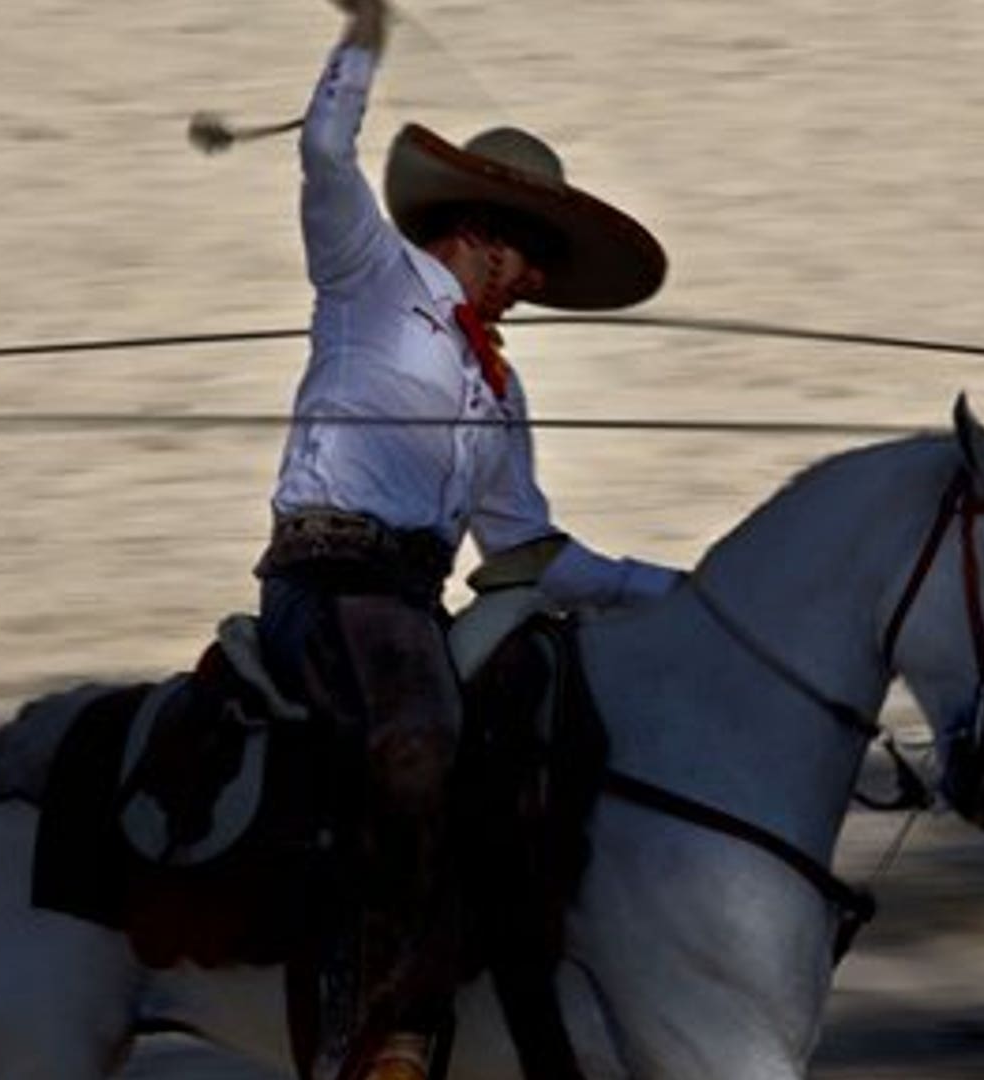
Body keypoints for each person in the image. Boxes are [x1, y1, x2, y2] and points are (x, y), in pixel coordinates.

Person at [250, 1, 680, 1077]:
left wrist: (681, 593)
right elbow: (320, 150)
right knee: (415, 735)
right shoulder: (368, 274)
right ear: (477, 230)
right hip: (326, 577)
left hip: (415, 598)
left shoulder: (501, 389)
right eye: (530, 252)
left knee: (541, 738)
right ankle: (387, 1034)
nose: (535, 279)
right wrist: (363, 42)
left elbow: (528, 553)